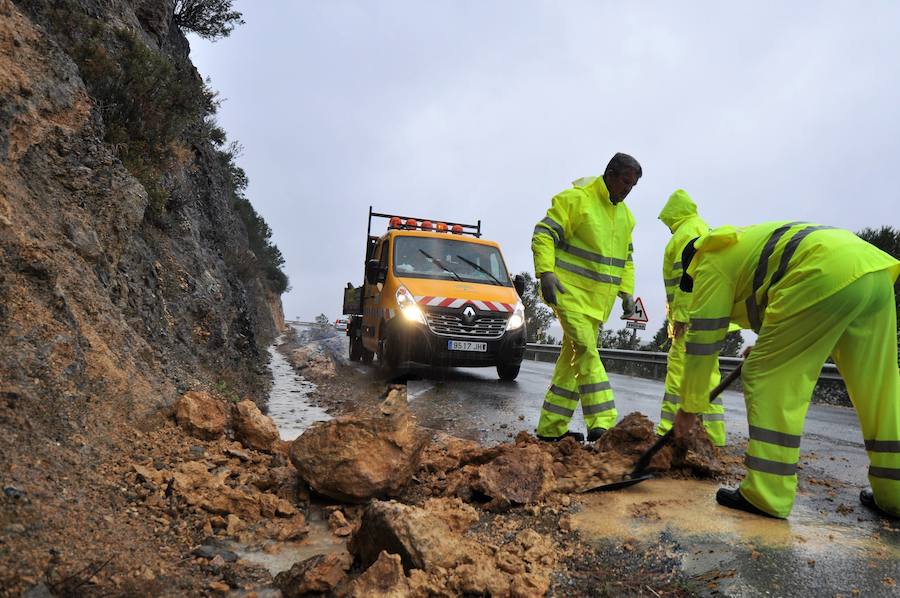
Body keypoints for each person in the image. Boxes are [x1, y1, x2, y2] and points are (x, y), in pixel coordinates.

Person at [672, 222, 900, 519]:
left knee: (766, 376)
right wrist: (768, 341)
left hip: (823, 273)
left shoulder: (709, 263)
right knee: (879, 386)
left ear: (692, 265)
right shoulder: (744, 245)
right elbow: (778, 292)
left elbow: (704, 341)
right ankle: (894, 492)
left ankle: (768, 492)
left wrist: (689, 407)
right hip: (872, 271)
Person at [531, 153, 641, 442]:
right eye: (625, 182)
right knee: (589, 355)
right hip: (567, 295)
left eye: (633, 186)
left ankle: (550, 429)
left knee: (570, 365)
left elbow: (626, 260)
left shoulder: (626, 217)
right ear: (610, 173)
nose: (627, 190)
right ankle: (603, 425)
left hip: (596, 305)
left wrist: (626, 292)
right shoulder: (576, 200)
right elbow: (543, 233)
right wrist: (545, 272)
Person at [655, 190, 726, 446]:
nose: (668, 228)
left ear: (674, 214)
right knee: (708, 374)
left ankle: (669, 433)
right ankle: (714, 437)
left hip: (690, 319)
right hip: (709, 316)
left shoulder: (686, 233)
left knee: (679, 374)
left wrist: (681, 318)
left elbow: (688, 280)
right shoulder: (702, 228)